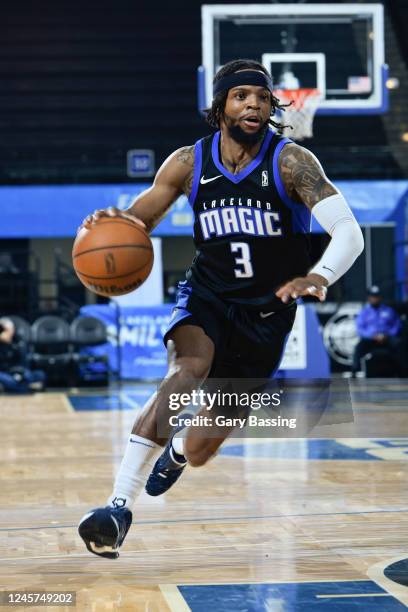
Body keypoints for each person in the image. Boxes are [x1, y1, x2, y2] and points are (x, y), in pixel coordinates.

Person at [78, 59, 364, 558]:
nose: (252, 104)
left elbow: (349, 232)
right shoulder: (189, 163)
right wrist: (113, 222)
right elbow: (139, 219)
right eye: (240, 96)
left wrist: (319, 275)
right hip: (206, 295)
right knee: (187, 368)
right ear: (221, 106)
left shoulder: (292, 162)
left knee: (204, 446)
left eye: (261, 96)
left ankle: (178, 450)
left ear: (271, 106)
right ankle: (117, 504)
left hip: (266, 315)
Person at [352, 285, 404, 376]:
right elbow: (360, 329)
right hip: (371, 338)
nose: (375, 299)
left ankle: (402, 371)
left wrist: (388, 335)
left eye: (377, 296)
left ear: (380, 297)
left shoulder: (389, 311)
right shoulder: (364, 312)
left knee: (399, 344)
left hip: (387, 337)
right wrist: (372, 336)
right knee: (359, 347)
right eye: (373, 296)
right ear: (369, 298)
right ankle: (354, 371)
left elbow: (397, 324)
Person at [0, 317, 45, 392]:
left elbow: (23, 360)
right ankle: (26, 387)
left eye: (6, 329)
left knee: (40, 374)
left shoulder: (19, 341)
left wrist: (9, 344)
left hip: (18, 371)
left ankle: (12, 386)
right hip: (4, 372)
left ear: (12, 329)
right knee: (12, 381)